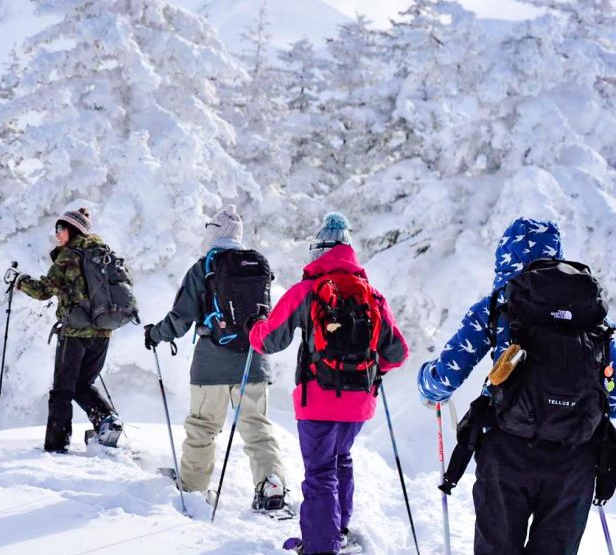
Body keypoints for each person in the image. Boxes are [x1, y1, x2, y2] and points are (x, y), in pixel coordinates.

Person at [416, 217, 616, 555]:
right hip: (575, 458)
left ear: (504, 257)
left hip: (506, 451)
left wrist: (427, 383)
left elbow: (444, 377)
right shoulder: (589, 315)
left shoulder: (498, 305)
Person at [248, 212, 408, 555]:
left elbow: (268, 342)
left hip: (317, 398)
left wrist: (255, 326)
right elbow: (398, 353)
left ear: (317, 250)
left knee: (320, 472)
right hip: (359, 402)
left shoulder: (306, 291)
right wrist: (367, 369)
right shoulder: (372, 295)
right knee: (341, 460)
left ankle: (322, 547)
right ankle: (337, 532)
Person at [143, 205, 289, 511]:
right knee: (257, 427)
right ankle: (271, 483)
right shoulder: (256, 267)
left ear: (212, 235)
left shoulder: (203, 268)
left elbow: (181, 318)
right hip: (254, 360)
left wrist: (156, 334)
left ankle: (194, 489)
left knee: (203, 426)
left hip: (211, 365)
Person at [14, 207, 122, 453]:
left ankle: (56, 445)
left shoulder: (69, 256)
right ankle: (108, 421)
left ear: (71, 230)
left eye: (60, 229)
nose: (56, 234)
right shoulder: (102, 255)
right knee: (83, 384)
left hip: (75, 333)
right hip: (102, 331)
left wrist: (20, 282)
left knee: (62, 390)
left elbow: (43, 291)